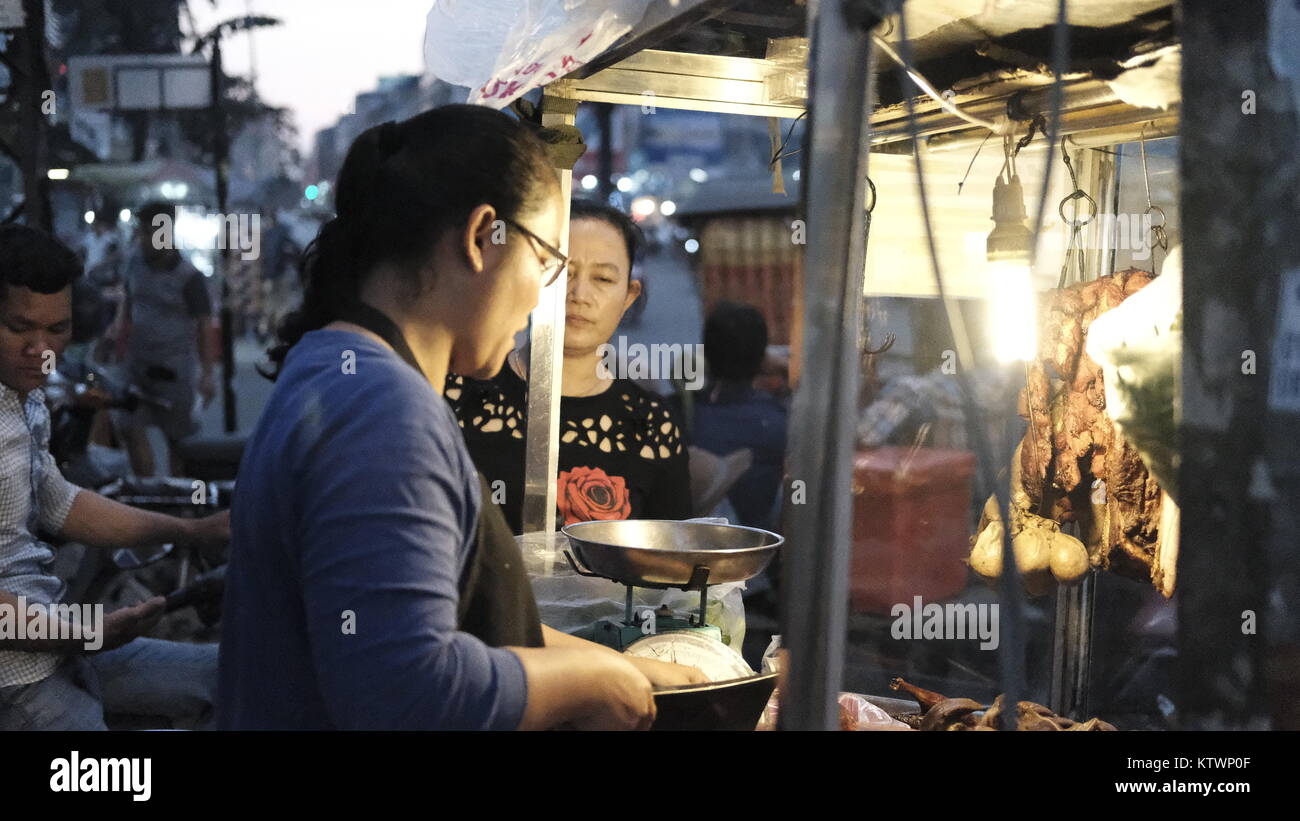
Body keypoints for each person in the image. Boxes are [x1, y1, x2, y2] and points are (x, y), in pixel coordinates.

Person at [219, 106, 703, 732]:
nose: (540, 300)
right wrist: (596, 680)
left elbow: (444, 630)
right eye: (547, 262)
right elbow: (404, 692)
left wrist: (623, 667)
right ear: (482, 238)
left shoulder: (332, 364)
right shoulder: (381, 409)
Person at [0, 224, 229, 731]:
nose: (41, 350)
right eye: (20, 329)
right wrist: (85, 632)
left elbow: (61, 503)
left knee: (238, 676)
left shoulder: (27, 400)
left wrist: (190, 529)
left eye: (56, 331)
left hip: (64, 652)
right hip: (15, 683)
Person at [446, 199, 692, 534]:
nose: (579, 294)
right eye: (563, 273)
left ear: (629, 298)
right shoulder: (459, 395)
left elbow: (670, 564)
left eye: (603, 279)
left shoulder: (651, 425)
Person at [116, 200, 218, 476]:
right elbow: (128, 303)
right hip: (137, 367)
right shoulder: (134, 262)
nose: (146, 239)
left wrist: (207, 374)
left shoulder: (189, 276)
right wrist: (116, 335)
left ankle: (178, 498)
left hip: (175, 370)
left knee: (180, 442)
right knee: (128, 426)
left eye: (152, 232)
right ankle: (146, 492)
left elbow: (205, 326)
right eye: (143, 232)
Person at [691, 302, 788, 531]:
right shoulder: (779, 422)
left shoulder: (677, 415)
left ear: (706, 351)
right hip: (756, 546)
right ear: (763, 358)